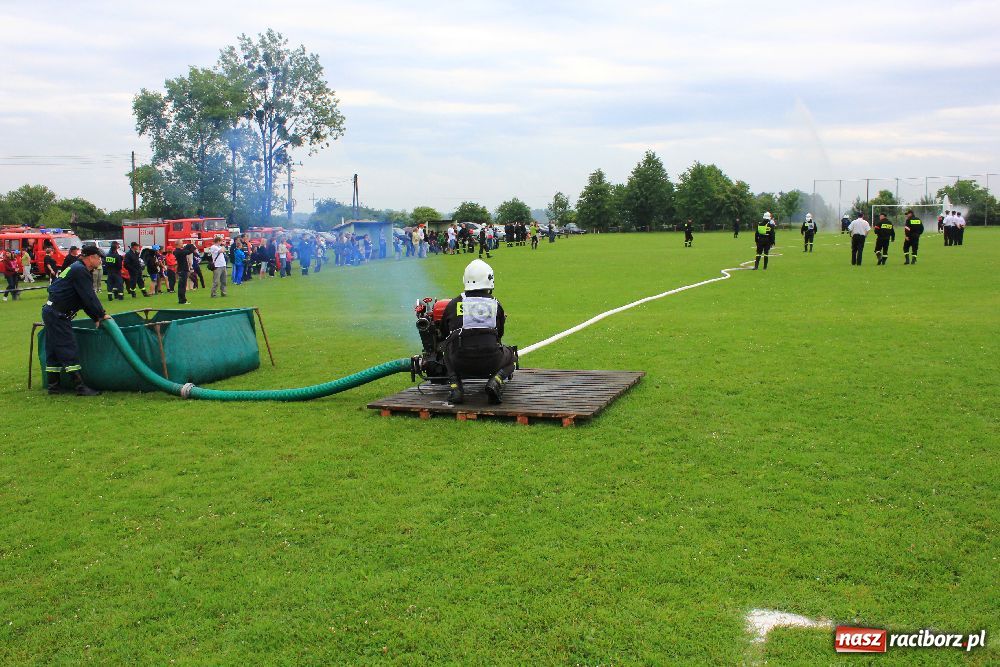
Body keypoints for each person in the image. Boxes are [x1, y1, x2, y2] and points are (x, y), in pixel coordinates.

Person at [440, 259, 517, 405]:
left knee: (446, 350)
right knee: (512, 357)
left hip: (459, 362)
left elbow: (444, 332)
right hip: (491, 361)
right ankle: (495, 381)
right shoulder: (495, 304)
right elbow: (499, 335)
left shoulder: (454, 303)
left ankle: (456, 388)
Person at [42, 245, 111, 396]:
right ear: (90, 257)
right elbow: (89, 297)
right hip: (58, 314)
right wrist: (101, 314)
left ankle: (53, 387)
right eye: (98, 257)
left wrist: (95, 317)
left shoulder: (77, 267)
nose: (100, 260)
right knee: (68, 348)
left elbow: (82, 299)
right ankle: (80, 387)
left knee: (53, 350)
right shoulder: (81, 270)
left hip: (52, 311)